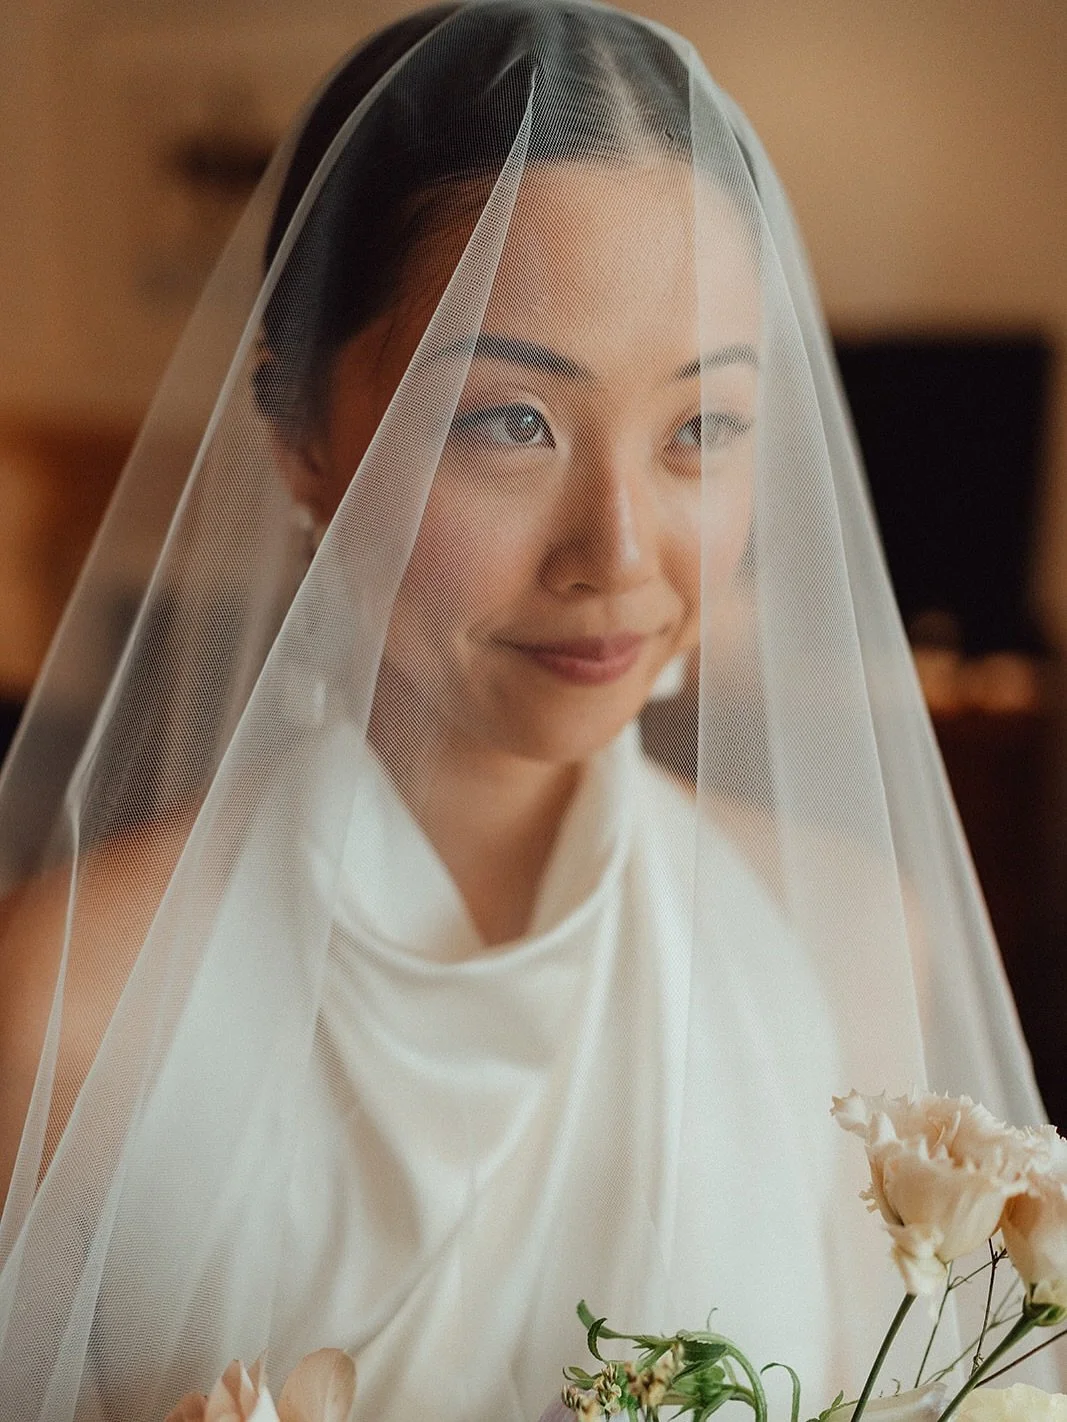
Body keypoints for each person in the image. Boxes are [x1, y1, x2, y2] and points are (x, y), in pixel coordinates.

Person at [0, 3, 1054, 1419]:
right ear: (299, 433)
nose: (617, 551)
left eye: (701, 427)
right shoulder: (77, 1007)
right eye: (510, 420)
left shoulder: (857, 945)